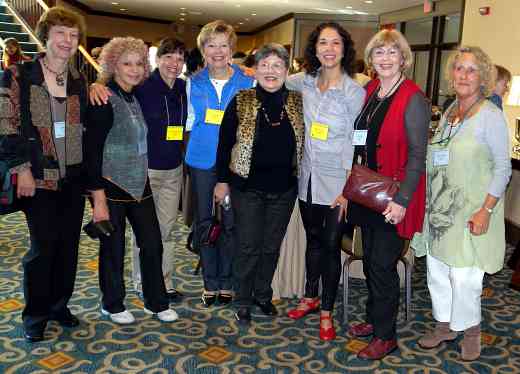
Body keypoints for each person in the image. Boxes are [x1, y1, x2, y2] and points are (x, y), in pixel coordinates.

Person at [413, 46, 511, 361]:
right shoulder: (451, 111)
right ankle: (444, 326)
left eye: (471, 69)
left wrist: (486, 210)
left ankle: (471, 331)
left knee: (465, 277)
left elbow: (502, 168)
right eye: (459, 68)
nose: (463, 75)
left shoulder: (491, 116)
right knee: (437, 271)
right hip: (440, 210)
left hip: (472, 211)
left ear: (482, 76)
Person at [0, 7, 88, 342]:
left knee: (68, 246)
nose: (68, 41)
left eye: (73, 35)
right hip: (37, 176)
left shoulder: (79, 78)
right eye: (61, 34)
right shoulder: (20, 74)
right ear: (45, 36)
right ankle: (35, 314)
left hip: (73, 177)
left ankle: (58, 305)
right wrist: (21, 168)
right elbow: (6, 124)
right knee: (43, 247)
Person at [344, 29, 430, 359]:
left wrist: (402, 201)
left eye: (392, 52)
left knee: (381, 265)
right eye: (379, 53)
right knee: (370, 263)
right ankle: (373, 318)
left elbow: (418, 156)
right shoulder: (371, 90)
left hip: (393, 196)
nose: (385, 58)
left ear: (403, 58)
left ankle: (386, 336)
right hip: (368, 192)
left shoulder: (413, 98)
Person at [85, 36, 178, 325]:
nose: (134, 69)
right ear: (113, 65)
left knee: (152, 244)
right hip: (110, 186)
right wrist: (97, 199)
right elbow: (91, 152)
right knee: (113, 250)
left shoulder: (134, 95)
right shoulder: (103, 97)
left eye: (139, 63)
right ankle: (112, 303)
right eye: (127, 63)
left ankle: (155, 300)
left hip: (140, 185)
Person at [285, 22, 364, 341]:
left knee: (331, 246)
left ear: (344, 49)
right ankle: (310, 296)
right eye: (322, 43)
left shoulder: (354, 91)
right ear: (314, 49)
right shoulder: (302, 82)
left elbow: (357, 141)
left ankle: (327, 311)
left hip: (337, 183)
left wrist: (347, 190)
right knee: (313, 240)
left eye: (335, 43)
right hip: (308, 177)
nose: (328, 49)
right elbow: (271, 78)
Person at [215, 43, 305, 325]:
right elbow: (225, 143)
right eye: (265, 65)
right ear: (255, 69)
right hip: (247, 187)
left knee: (271, 246)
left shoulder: (298, 101)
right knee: (248, 245)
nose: (271, 71)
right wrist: (221, 181)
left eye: (277, 65)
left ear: (286, 70)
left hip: (285, 188)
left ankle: (263, 295)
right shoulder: (241, 99)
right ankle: (242, 299)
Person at [185, 20, 254, 308]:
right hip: (201, 162)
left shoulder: (247, 81)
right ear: (203, 49)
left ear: (232, 49)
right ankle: (209, 282)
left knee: (230, 222)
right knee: (203, 221)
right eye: (211, 44)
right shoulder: (193, 83)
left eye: (223, 45)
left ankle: (226, 280)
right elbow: (188, 121)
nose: (217, 51)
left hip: (234, 164)